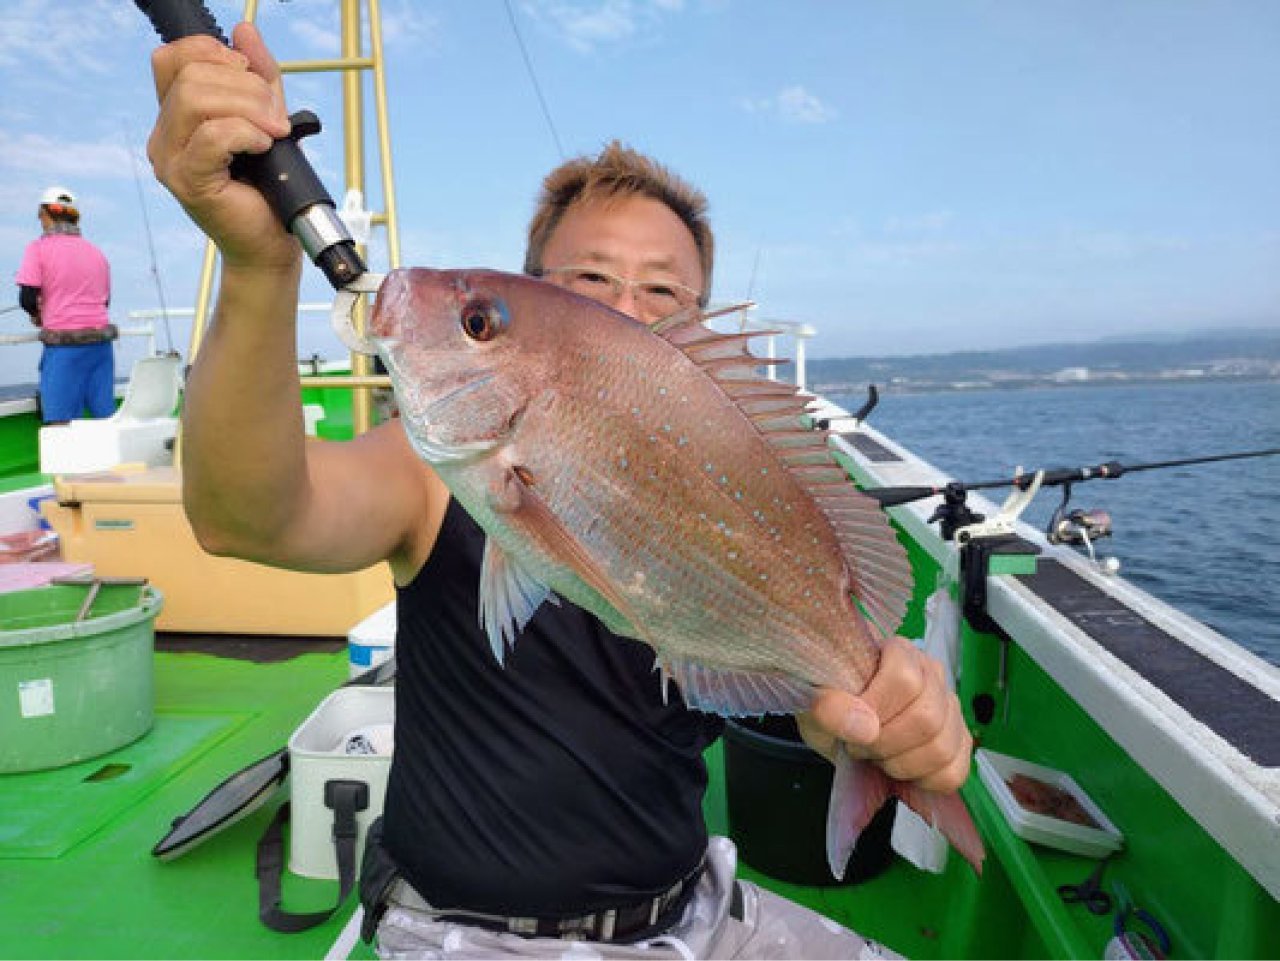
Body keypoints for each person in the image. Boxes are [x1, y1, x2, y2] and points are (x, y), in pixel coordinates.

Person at [147, 24, 973, 960]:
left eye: (663, 296)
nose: (619, 312)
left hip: (693, 909)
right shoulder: (435, 477)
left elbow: (813, 703)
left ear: (701, 336)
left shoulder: (735, 487)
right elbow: (247, 514)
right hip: (471, 933)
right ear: (540, 294)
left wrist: (880, 717)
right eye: (585, 283)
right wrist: (261, 266)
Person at [15, 186, 116, 424]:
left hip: (65, 348)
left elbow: (27, 298)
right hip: (101, 348)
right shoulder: (97, 252)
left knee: (59, 423)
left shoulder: (38, 249)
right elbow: (105, 301)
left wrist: (37, 315)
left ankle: (67, 463)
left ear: (45, 214)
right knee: (104, 419)